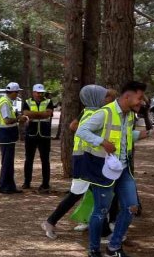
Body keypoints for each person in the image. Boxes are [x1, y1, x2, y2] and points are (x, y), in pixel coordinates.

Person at [75, 80, 154, 257]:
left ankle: (114, 248)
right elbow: (81, 130)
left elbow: (128, 136)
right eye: (139, 98)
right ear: (127, 96)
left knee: (131, 207)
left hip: (123, 169)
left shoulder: (129, 116)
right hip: (102, 170)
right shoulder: (104, 113)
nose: (142, 102)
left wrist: (148, 134)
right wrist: (101, 142)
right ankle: (94, 250)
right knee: (101, 210)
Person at [41, 85, 115, 239]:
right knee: (88, 195)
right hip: (88, 161)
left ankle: (104, 231)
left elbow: (75, 127)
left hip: (85, 160)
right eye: (105, 97)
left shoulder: (87, 111)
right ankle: (105, 233)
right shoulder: (98, 114)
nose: (107, 100)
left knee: (90, 194)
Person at [21, 83, 55, 192]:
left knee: (45, 160)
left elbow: (48, 114)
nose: (40, 95)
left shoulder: (49, 102)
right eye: (38, 92)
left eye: (41, 93)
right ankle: (27, 182)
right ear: (33, 92)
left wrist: (33, 114)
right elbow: (26, 113)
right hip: (31, 134)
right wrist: (41, 114)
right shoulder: (27, 102)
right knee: (29, 159)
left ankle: (45, 183)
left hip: (44, 135)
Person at [0, 82, 22, 194]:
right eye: (17, 92)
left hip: (8, 136)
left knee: (9, 162)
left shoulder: (8, 102)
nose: (17, 94)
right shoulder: (5, 102)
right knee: (7, 162)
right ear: (12, 92)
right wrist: (18, 119)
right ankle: (3, 186)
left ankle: (10, 186)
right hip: (5, 135)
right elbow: (7, 120)